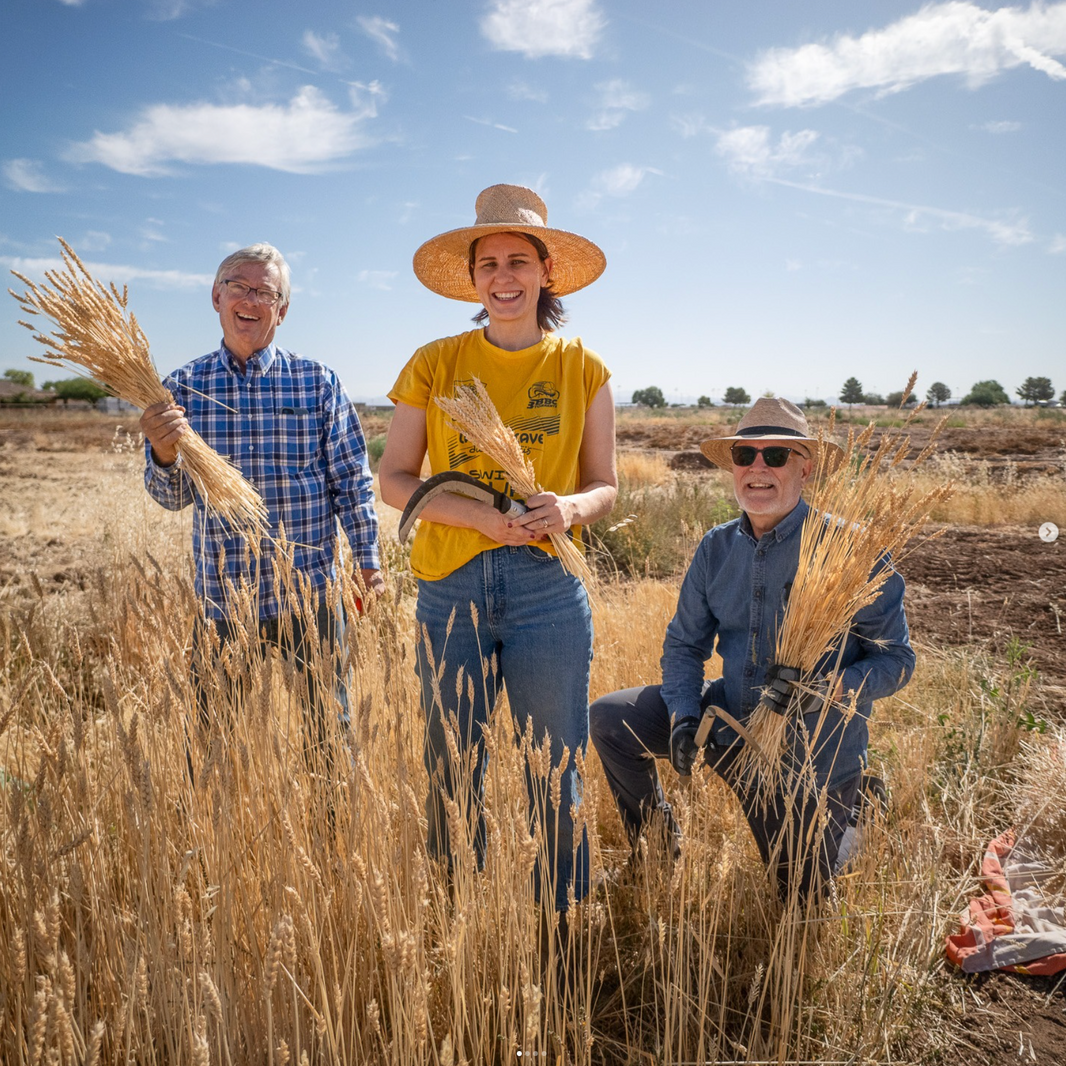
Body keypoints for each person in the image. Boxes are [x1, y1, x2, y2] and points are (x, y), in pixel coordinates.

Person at [379, 185, 617, 913]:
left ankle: (561, 925)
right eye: (489, 264)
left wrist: (566, 508)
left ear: (548, 271)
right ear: (474, 278)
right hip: (451, 584)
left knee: (557, 772)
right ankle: (460, 923)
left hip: (548, 592)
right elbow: (393, 480)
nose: (503, 277)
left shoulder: (583, 367)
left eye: (519, 260)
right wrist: (477, 519)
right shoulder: (436, 361)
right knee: (453, 766)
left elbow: (604, 485)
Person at [589, 397, 915, 902]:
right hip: (731, 721)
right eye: (745, 455)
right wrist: (680, 715)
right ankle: (654, 853)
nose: (758, 467)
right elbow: (684, 645)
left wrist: (827, 688)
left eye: (776, 456)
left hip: (812, 754)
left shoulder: (851, 552)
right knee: (611, 719)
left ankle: (853, 814)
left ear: (805, 468)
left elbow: (897, 661)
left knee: (802, 901)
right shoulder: (715, 548)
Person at [139, 243, 383, 768]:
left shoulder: (317, 382)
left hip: (310, 592)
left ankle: (334, 841)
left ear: (282, 309)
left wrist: (369, 562)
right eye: (239, 287)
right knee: (211, 740)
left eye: (265, 292)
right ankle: (209, 847)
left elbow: (351, 481)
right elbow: (170, 498)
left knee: (328, 734)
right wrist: (163, 452)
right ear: (216, 296)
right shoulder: (182, 388)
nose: (250, 299)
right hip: (225, 597)